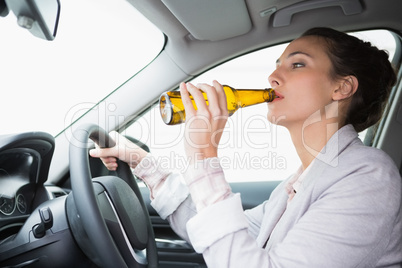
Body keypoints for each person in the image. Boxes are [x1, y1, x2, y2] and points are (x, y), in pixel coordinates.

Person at [89, 27, 402, 267]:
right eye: (278, 64)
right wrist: (143, 162)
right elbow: (223, 231)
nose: (272, 76)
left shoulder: (368, 177)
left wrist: (203, 155)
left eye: (297, 65)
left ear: (341, 87)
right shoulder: (298, 184)